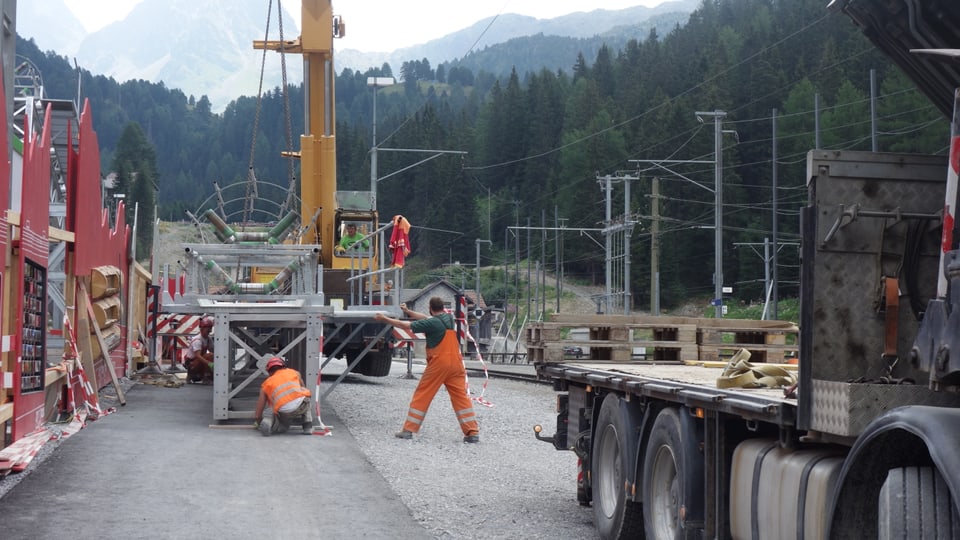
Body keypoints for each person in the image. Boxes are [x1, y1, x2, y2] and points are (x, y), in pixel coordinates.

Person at [374, 297, 480, 443]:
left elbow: (403, 324)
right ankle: (472, 432)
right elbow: (425, 317)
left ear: (430, 307)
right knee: (461, 397)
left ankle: (408, 430)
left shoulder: (431, 323)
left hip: (439, 364)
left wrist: (384, 318)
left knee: (423, 394)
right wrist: (408, 311)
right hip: (456, 364)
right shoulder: (448, 318)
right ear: (443, 308)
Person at [253, 357, 314, 436]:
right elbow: (303, 388)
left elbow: (258, 412)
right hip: (301, 406)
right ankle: (307, 426)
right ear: (284, 366)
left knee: (271, 409)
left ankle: (268, 421)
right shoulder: (295, 373)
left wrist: (258, 421)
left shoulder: (266, 384)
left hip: (283, 411)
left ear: (269, 371)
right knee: (305, 395)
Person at [184, 316, 214, 384]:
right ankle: (202, 377)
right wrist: (209, 364)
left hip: (199, 363)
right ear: (202, 328)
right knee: (209, 356)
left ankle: (206, 376)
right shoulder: (197, 340)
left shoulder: (209, 339)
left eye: (210, 328)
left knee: (212, 356)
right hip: (192, 365)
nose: (209, 330)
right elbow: (198, 356)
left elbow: (214, 351)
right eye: (207, 328)